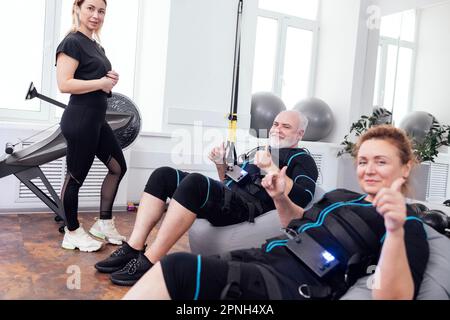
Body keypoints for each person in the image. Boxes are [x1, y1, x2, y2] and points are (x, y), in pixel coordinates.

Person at [122, 125, 430, 300]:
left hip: (293, 283)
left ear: (405, 167)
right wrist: (280, 197)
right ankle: (133, 250)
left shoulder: (408, 225)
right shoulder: (341, 196)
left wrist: (395, 229)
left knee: (178, 271)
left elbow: (396, 296)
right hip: (264, 256)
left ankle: (147, 261)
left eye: (381, 162)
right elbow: (294, 222)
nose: (368, 169)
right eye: (363, 161)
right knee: (181, 282)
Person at [95, 110, 319, 286]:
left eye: (286, 126)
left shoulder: (302, 159)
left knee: (194, 182)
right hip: (231, 198)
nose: (277, 129)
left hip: (250, 209)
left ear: (299, 134)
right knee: (163, 174)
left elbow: (303, 197)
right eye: (276, 124)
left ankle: (150, 261)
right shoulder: (260, 150)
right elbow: (231, 181)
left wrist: (270, 167)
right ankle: (134, 247)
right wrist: (220, 164)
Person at [56, 0, 127, 252]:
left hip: (97, 119)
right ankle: (72, 231)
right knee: (75, 177)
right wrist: (100, 82)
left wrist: (108, 81)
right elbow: (64, 84)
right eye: (91, 8)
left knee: (118, 167)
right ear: (78, 8)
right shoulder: (72, 42)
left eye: (101, 11)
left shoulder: (96, 45)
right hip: (80, 119)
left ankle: (104, 223)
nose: (96, 15)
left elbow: (95, 81)